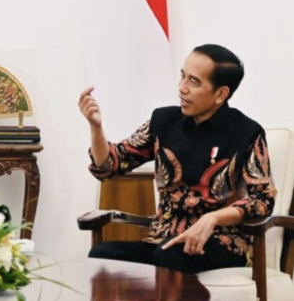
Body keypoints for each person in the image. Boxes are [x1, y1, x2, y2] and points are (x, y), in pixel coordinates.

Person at [78, 44, 276, 274]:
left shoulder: (247, 133)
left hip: (221, 242)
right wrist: (96, 126)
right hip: (162, 239)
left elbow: (262, 199)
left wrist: (213, 218)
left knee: (169, 255)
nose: (182, 88)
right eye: (182, 76)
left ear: (221, 94)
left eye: (194, 82)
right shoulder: (163, 121)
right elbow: (110, 165)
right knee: (102, 256)